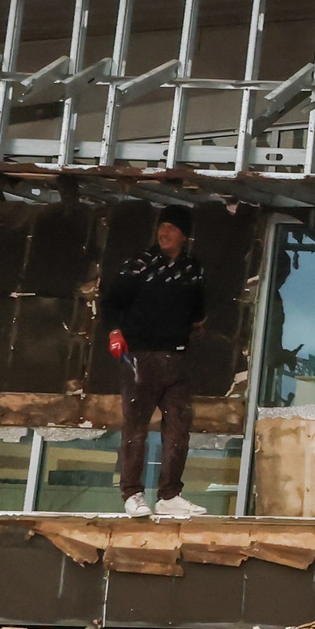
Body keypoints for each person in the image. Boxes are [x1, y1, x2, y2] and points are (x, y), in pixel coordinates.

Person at [101, 211, 208, 516]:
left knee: (178, 429)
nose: (164, 232)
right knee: (136, 427)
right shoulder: (140, 264)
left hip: (176, 358)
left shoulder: (192, 269)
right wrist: (114, 332)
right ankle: (132, 494)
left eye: (172, 228)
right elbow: (111, 302)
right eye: (162, 226)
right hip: (140, 357)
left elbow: (199, 308)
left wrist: (196, 325)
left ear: (184, 235)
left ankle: (170, 495)